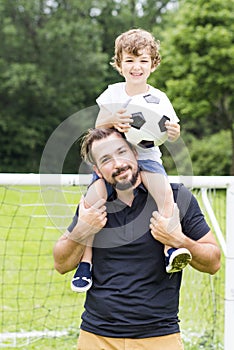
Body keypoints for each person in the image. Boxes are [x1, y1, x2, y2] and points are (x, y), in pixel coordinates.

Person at [53, 128, 221, 350]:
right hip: (97, 336)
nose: (117, 163)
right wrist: (81, 230)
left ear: (135, 152)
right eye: (106, 159)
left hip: (160, 336)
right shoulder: (94, 204)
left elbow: (213, 262)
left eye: (121, 152)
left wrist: (178, 239)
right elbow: (61, 263)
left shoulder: (175, 197)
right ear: (98, 171)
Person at [71, 28, 191, 293]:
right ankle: (86, 262)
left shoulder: (159, 99)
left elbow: (171, 130)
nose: (136, 67)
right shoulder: (112, 93)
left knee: (166, 199)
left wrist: (173, 132)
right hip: (114, 160)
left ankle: (170, 249)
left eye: (143, 61)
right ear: (119, 64)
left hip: (146, 157)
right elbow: (98, 127)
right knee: (92, 202)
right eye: (130, 60)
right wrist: (113, 120)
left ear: (153, 64)